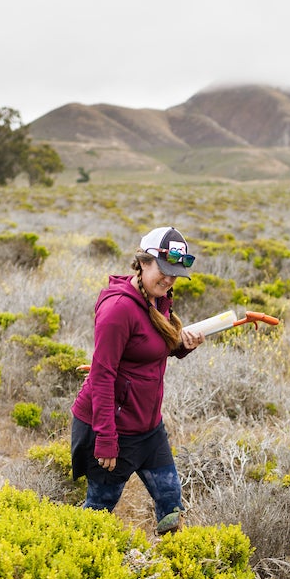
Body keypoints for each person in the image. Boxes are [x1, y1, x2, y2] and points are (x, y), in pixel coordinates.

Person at [71, 226, 205, 534]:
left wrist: (182, 348)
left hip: (148, 428)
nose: (169, 280)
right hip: (111, 428)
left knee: (171, 503)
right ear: (143, 262)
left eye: (175, 274)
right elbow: (103, 376)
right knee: (97, 513)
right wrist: (106, 439)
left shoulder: (157, 300)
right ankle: (67, 561)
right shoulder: (118, 309)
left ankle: (176, 570)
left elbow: (148, 352)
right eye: (163, 270)